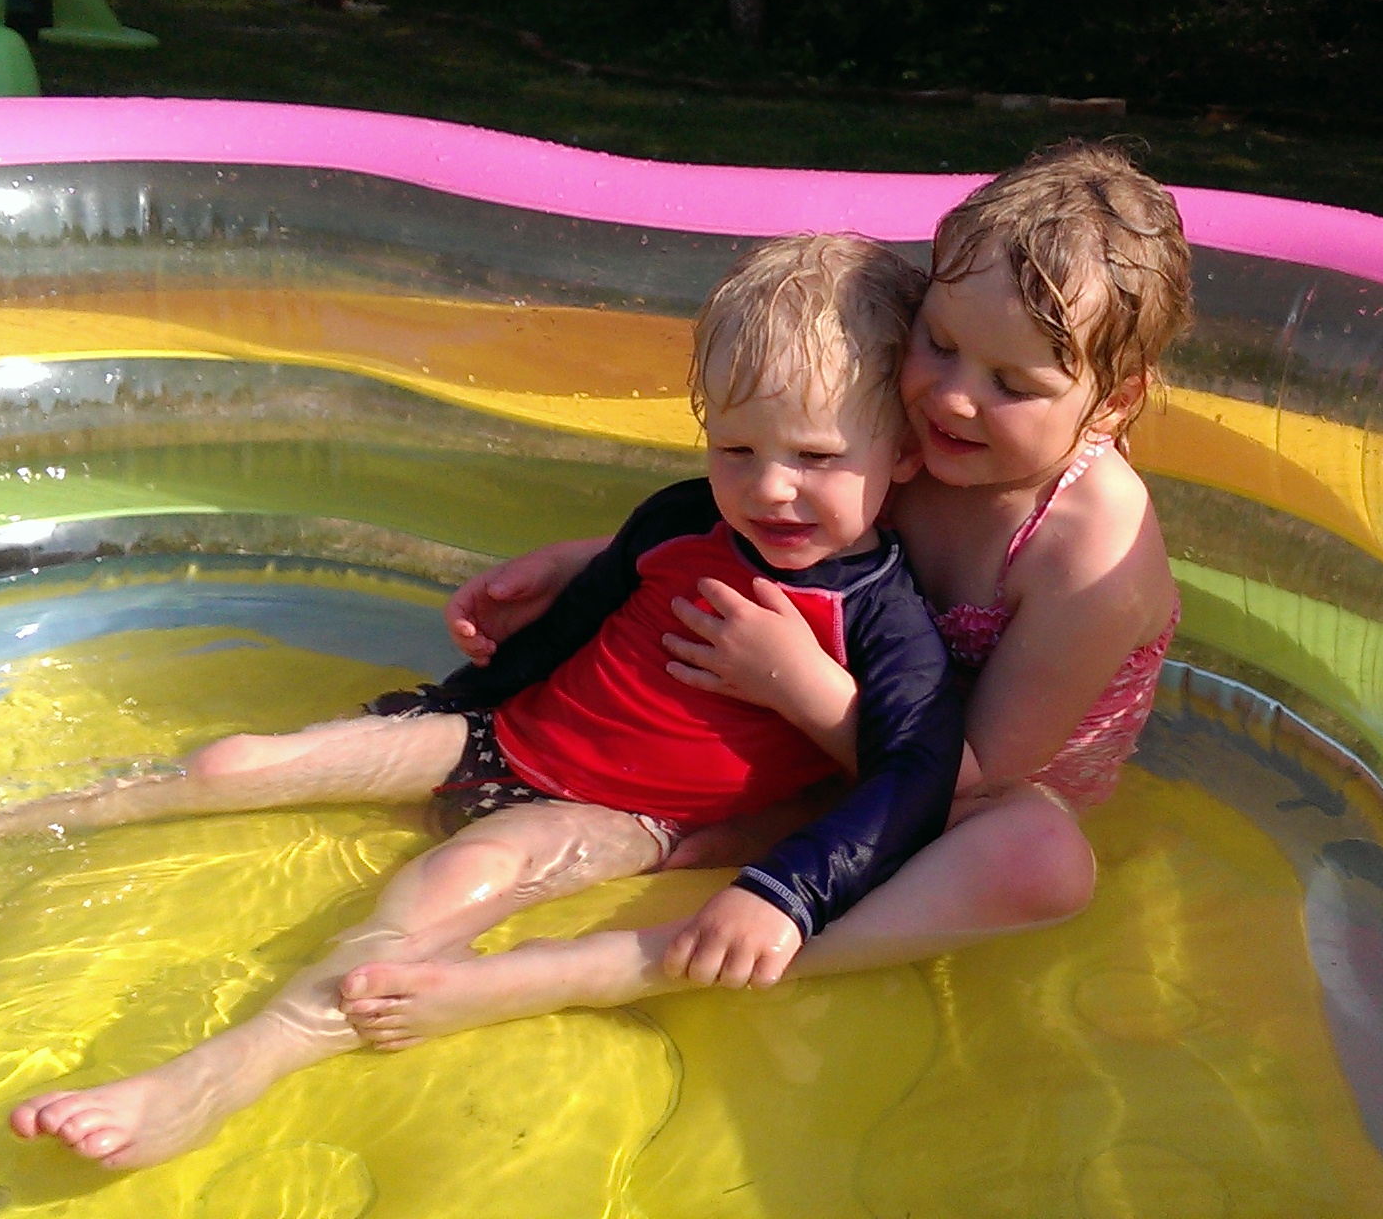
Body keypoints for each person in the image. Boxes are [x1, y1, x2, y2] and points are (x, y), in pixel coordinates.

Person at [0, 233, 966, 1171]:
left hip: (617, 811)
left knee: (435, 900)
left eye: (816, 457)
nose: (770, 488)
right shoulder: (679, 519)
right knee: (229, 762)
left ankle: (220, 1073)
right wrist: (440, 707)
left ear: (902, 454)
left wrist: (783, 885)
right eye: (738, 448)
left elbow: (917, 769)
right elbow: (576, 629)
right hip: (499, 735)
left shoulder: (880, 618)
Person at [339, 139, 1192, 1048]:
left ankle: (641, 961)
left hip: (953, 792)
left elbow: (967, 771)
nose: (951, 397)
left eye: (1011, 384)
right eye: (940, 343)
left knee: (1042, 861)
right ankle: (714, 835)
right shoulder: (926, 435)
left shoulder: (1091, 554)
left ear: (1113, 402)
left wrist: (797, 684)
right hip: (824, 730)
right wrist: (591, 563)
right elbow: (786, 532)